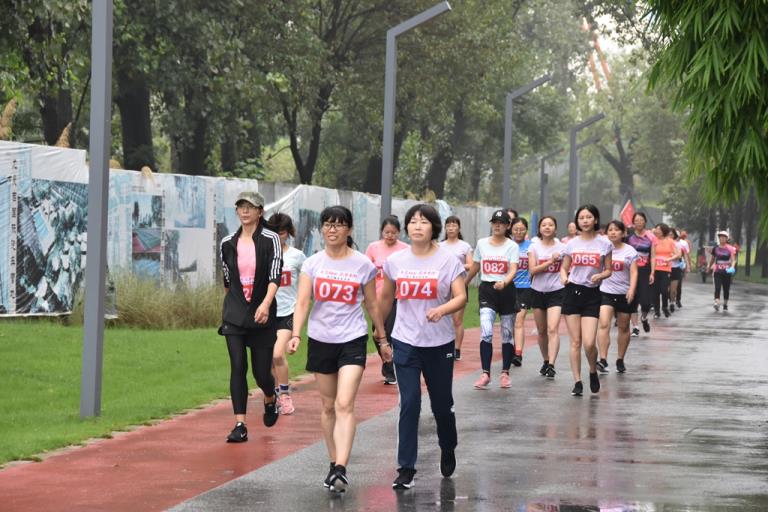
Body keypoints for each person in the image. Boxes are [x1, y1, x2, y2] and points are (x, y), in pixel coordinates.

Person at [288, 205, 388, 493]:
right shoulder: (312, 264)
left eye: (339, 224)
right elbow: (303, 302)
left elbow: (372, 305)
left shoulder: (362, 264)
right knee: (328, 405)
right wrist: (296, 334)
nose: (332, 229)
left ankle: (342, 467)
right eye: (328, 224)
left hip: (352, 339)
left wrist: (382, 340)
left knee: (345, 403)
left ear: (349, 229)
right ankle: (333, 463)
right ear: (322, 229)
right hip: (321, 339)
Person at [380, 204, 467, 490]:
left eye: (424, 222)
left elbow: (461, 297)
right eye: (413, 222)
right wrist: (380, 334)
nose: (418, 226)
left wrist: (442, 310)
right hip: (405, 341)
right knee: (410, 403)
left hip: (439, 343)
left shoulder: (448, 260)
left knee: (441, 405)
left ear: (434, 228)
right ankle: (406, 467)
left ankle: (448, 446)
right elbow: (386, 299)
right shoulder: (396, 261)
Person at [218, 191, 282, 443]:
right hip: (234, 314)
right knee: (237, 366)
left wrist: (265, 304)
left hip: (262, 313)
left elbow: (275, 275)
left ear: (260, 211)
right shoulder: (227, 242)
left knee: (261, 374)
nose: (245, 211)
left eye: (250, 207)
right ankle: (240, 424)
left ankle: (270, 396)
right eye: (241, 207)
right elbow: (227, 279)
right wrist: (229, 308)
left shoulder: (271, 239)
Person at [560, 204, 613, 397]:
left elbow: (609, 269)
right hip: (572, 292)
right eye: (581, 217)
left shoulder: (604, 244)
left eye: (588, 217)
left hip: (592, 294)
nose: (585, 221)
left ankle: (592, 370)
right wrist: (564, 277)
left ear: (595, 219)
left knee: (589, 343)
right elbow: (564, 267)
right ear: (577, 221)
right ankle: (577, 381)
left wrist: (601, 275)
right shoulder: (571, 244)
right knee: (575, 342)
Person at [465, 209, 519, 389]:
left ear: (507, 226)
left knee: (507, 333)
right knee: (486, 331)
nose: (497, 226)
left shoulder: (512, 246)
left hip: (506, 291)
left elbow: (513, 269)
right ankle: (485, 373)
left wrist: (504, 282)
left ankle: (505, 373)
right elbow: (476, 265)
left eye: (501, 223)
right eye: (495, 222)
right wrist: (464, 283)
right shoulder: (482, 243)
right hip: (487, 290)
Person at [268, 212, 306, 415]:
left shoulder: (297, 256)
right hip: (266, 313)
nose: (278, 236)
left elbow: (308, 282)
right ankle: (273, 394)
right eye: (274, 232)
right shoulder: (262, 254)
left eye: (282, 232)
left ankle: (284, 394)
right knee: (266, 360)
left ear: (288, 233)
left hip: (288, 311)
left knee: (277, 354)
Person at [365, 216, 409, 384]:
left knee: (388, 332)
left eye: (393, 233)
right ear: (382, 232)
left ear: (399, 232)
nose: (390, 236)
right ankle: (387, 360)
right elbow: (365, 270)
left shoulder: (405, 249)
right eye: (387, 232)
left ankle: (391, 369)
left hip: (396, 297)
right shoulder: (373, 248)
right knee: (377, 334)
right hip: (375, 298)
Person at [596, 220, 638, 374]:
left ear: (623, 233)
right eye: (610, 230)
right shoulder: (602, 248)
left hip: (624, 293)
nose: (613, 232)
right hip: (605, 291)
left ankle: (620, 359)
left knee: (624, 326)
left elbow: (634, 272)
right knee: (604, 324)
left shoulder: (630, 251)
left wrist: (632, 289)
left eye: (616, 230)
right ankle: (603, 359)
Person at [528, 216, 566, 379]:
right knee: (542, 331)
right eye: (544, 225)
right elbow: (532, 270)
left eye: (551, 225)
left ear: (555, 228)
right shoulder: (534, 247)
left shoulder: (563, 248)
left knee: (552, 328)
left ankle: (551, 364)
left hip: (556, 291)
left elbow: (567, 268)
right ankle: (545, 360)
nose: (547, 227)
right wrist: (551, 261)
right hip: (537, 291)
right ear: (539, 229)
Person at [440, 215, 473, 360]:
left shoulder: (464, 246)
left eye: (454, 225)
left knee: (457, 320)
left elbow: (471, 265)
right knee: (442, 317)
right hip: (442, 286)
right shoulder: (440, 246)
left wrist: (456, 266)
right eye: (448, 225)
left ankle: (457, 348)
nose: (451, 228)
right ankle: (443, 346)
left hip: (459, 285)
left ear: (459, 228)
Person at [627, 212, 657, 334]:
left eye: (641, 220)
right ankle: (635, 327)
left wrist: (652, 273)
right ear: (633, 222)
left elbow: (653, 256)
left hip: (645, 270)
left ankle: (644, 318)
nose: (639, 222)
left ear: (645, 221)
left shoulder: (650, 237)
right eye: (636, 220)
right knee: (632, 299)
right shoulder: (629, 237)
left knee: (646, 302)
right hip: (630, 270)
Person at [510, 218, 532, 367]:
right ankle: (510, 348)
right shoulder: (507, 245)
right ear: (511, 230)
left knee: (519, 320)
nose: (518, 232)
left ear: (526, 231)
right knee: (509, 321)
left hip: (525, 287)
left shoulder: (531, 247)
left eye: (522, 229)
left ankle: (518, 354)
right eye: (516, 229)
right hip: (508, 287)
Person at [651, 223, 680, 319]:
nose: (657, 231)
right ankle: (657, 311)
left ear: (664, 230)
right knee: (655, 291)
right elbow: (652, 256)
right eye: (656, 229)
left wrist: (669, 259)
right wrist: (652, 271)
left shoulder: (670, 241)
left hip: (666, 269)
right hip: (655, 269)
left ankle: (664, 307)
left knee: (664, 290)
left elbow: (678, 254)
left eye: (659, 229)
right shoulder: (654, 241)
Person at [710, 230, 736, 311]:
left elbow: (733, 260)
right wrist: (709, 266)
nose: (722, 238)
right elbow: (712, 259)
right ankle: (717, 302)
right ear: (719, 238)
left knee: (726, 289)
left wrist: (732, 267)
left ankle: (725, 303)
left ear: (727, 238)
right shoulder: (715, 248)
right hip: (717, 271)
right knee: (717, 288)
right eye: (721, 237)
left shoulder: (730, 248)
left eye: (724, 237)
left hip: (727, 271)